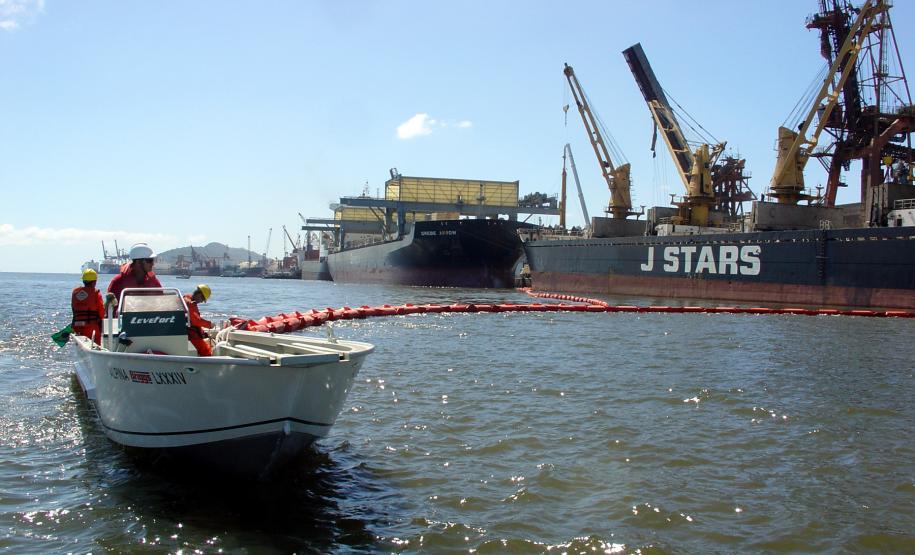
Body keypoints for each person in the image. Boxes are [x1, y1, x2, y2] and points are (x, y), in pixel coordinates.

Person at [106, 243, 162, 315]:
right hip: (126, 324)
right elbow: (110, 311)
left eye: (153, 260)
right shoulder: (118, 282)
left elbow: (161, 304)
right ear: (138, 262)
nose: (152, 264)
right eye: (149, 260)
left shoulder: (154, 282)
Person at [71, 268, 105, 345]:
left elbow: (73, 309)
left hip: (77, 327)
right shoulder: (96, 293)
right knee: (96, 346)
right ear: (94, 282)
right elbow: (102, 313)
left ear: (83, 281)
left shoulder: (75, 292)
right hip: (91, 328)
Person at [184, 284, 213, 356]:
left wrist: (203, 333)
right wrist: (210, 325)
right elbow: (197, 321)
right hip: (190, 334)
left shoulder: (186, 298)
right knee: (206, 351)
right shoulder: (190, 304)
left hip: (187, 332)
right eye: (203, 299)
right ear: (199, 294)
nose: (202, 301)